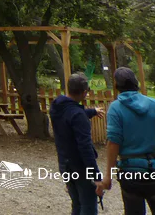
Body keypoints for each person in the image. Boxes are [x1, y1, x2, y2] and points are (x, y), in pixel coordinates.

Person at [96, 67, 155, 215]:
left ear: (116, 86)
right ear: (136, 83)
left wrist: (108, 175)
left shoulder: (116, 108)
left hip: (130, 174)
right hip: (154, 172)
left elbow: (114, 142)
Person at [50, 72, 105, 215]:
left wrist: (91, 112)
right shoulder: (78, 116)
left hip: (65, 164)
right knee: (88, 206)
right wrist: (96, 177)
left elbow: (70, 116)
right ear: (85, 92)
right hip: (80, 168)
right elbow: (85, 148)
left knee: (77, 204)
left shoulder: (56, 107)